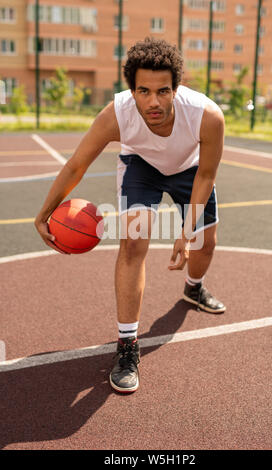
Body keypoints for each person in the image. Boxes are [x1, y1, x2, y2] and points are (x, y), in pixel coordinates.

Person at [35, 37, 226, 394]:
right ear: (131, 90)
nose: (153, 101)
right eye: (143, 91)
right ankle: (127, 345)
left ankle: (193, 288)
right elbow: (77, 165)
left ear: (177, 88)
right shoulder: (116, 114)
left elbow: (207, 175)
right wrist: (44, 213)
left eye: (163, 91)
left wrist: (186, 232)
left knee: (205, 243)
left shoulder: (207, 115)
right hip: (142, 167)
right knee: (134, 243)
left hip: (191, 170)